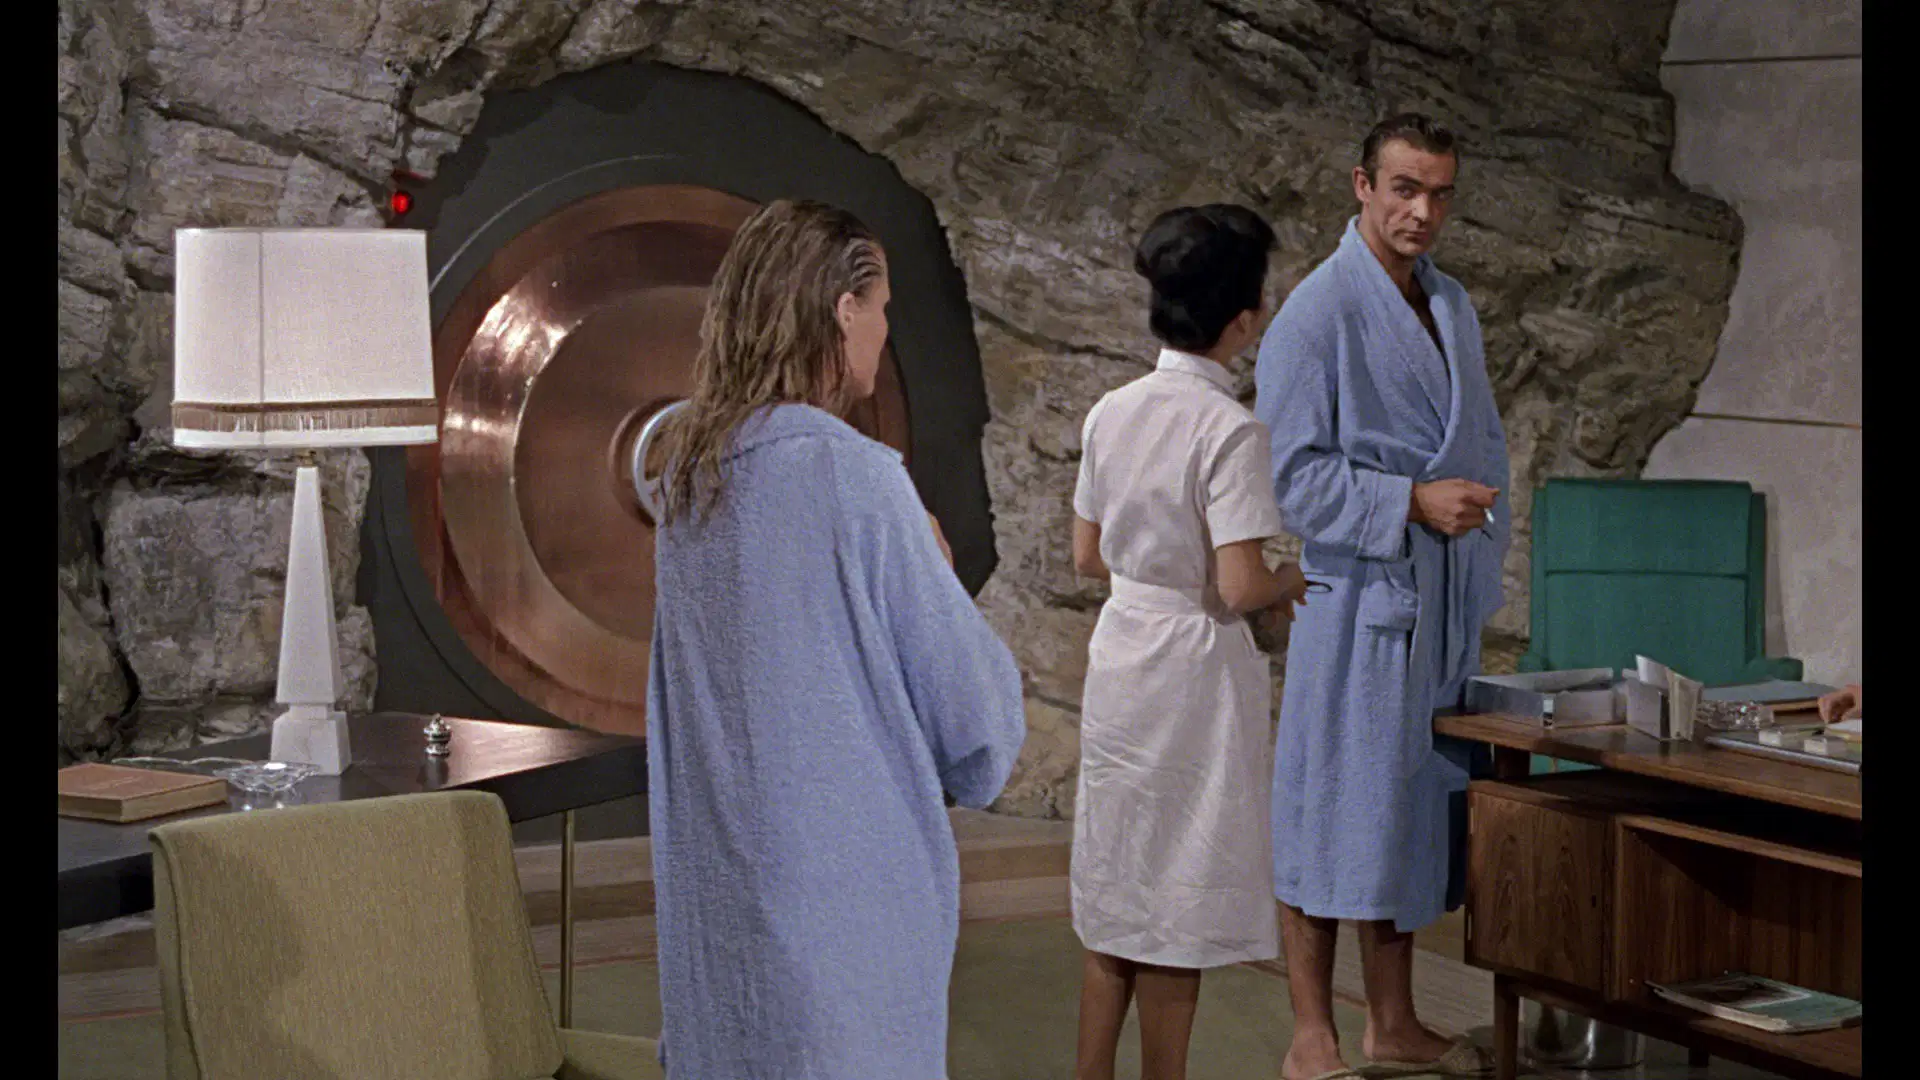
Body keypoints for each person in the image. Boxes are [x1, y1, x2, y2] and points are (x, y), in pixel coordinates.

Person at [646, 199, 1028, 1080]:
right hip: (847, 930)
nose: (885, 331)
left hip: (722, 936)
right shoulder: (858, 480)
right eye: (882, 306)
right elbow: (977, 732)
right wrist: (940, 572)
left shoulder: (689, 487)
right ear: (842, 309)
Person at [1255, 114, 1510, 1080]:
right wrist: (1408, 499)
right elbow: (1292, 480)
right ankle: (1311, 1034)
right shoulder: (1316, 314)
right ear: (1362, 184)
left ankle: (1393, 1023)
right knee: (1328, 805)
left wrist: (1480, 522)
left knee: (1402, 813)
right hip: (1356, 600)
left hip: (1436, 597)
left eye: (1440, 193)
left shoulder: (1452, 305)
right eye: (1405, 188)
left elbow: (1484, 440)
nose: (1422, 212)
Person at [1069, 204, 1311, 1080]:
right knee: (1174, 903)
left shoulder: (1111, 411)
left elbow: (1086, 554)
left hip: (1122, 654)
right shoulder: (1229, 429)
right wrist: (1292, 579)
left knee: (1116, 887)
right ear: (1244, 321)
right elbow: (1240, 585)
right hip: (1191, 671)